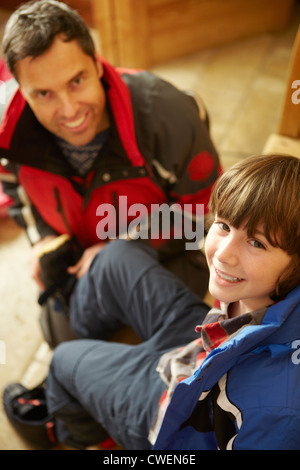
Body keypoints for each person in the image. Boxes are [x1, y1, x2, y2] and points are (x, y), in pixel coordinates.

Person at [4, 153, 300, 450]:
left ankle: (67, 429)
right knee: (115, 257)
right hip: (205, 351)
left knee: (64, 361)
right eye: (224, 225)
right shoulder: (262, 291)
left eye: (257, 243)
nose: (224, 254)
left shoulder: (275, 412)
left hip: (177, 420)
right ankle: (80, 386)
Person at [0, 0, 221, 346]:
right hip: (80, 266)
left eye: (76, 81)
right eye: (43, 93)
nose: (69, 111)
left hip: (170, 258)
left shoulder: (166, 113)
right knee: (64, 347)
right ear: (21, 92)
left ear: (98, 64)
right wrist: (42, 238)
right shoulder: (7, 135)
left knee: (145, 356)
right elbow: (15, 194)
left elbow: (208, 214)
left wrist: (121, 246)